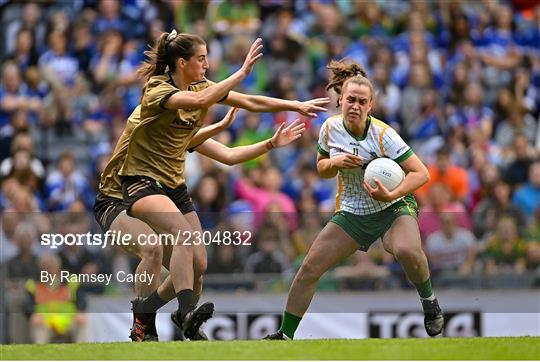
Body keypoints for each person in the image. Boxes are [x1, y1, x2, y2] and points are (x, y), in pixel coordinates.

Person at [115, 30, 328, 340]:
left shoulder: (200, 89)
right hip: (142, 181)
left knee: (199, 264)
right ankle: (186, 315)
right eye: (201, 59)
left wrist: (295, 105)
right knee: (180, 237)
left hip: (174, 186)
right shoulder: (157, 89)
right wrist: (241, 72)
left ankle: (155, 311)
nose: (206, 64)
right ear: (182, 62)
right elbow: (203, 100)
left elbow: (249, 103)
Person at [94, 103, 306, 341]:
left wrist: (271, 143)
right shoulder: (148, 123)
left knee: (197, 267)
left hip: (162, 196)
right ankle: (146, 328)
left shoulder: (181, 131)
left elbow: (229, 155)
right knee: (151, 247)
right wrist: (224, 119)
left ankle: (154, 310)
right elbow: (224, 97)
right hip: (117, 199)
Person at [264, 60, 444, 340]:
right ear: (340, 100)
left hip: (393, 207)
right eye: (350, 100)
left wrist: (393, 193)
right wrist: (335, 161)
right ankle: (284, 336)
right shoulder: (329, 129)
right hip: (353, 211)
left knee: (408, 251)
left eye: (362, 101)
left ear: (371, 106)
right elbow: (322, 170)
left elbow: (420, 173)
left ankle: (430, 303)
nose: (355, 106)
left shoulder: (384, 135)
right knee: (309, 267)